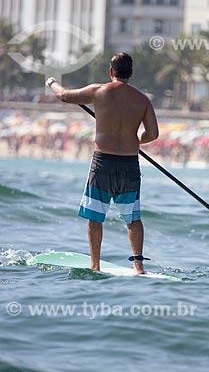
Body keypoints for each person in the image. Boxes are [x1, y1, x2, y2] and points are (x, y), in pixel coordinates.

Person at [46, 52, 159, 274]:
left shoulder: (99, 91)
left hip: (103, 164)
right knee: (132, 218)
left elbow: (64, 96)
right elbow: (153, 134)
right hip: (129, 165)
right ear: (131, 73)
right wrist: (136, 140)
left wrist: (52, 82)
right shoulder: (142, 100)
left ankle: (95, 265)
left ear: (111, 72)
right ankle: (138, 266)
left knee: (95, 216)